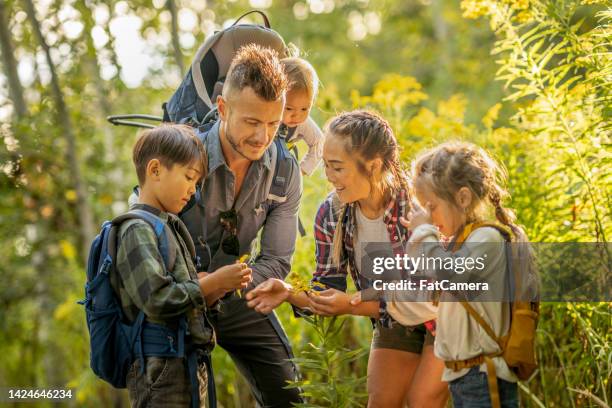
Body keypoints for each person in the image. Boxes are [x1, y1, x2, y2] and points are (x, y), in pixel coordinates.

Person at [246, 110, 449, 407]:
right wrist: (289, 292)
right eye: (326, 165)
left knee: (421, 400)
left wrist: (351, 306)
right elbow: (329, 290)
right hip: (393, 319)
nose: (328, 176)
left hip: (446, 316)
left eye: (337, 167)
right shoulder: (332, 214)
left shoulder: (416, 207)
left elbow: (429, 295)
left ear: (374, 165)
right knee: (381, 401)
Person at [178, 44, 304, 407]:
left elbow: (277, 260)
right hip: (182, 298)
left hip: (242, 295)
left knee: (292, 396)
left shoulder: (284, 171)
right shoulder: (182, 156)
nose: (262, 137)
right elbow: (145, 238)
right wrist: (199, 286)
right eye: (251, 122)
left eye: (273, 124)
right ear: (222, 109)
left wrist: (228, 286)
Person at [114, 124, 252, 407]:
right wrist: (211, 283)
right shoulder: (136, 229)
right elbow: (156, 299)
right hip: (159, 369)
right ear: (155, 170)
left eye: (197, 182)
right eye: (189, 177)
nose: (192, 190)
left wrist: (214, 290)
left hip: (185, 362)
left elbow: (183, 296)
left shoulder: (169, 226)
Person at [390, 141, 525, 407]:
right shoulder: (463, 244)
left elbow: (447, 274)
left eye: (432, 207)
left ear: (462, 198)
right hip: (463, 376)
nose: (428, 218)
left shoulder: (486, 239)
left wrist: (422, 233)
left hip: (485, 378)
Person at [278, 57, 324, 176]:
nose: (296, 115)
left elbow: (319, 143)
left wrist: (301, 170)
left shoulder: (303, 123)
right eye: (288, 108)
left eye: (305, 108)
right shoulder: (264, 116)